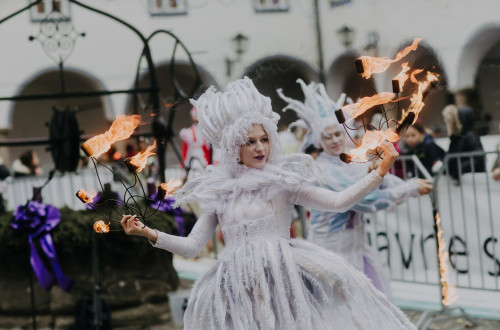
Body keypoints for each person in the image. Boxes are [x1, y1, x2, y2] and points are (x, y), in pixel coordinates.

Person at [121, 77, 416, 329]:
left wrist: (380, 171)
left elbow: (338, 202)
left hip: (283, 281)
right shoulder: (220, 191)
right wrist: (147, 233)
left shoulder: (283, 182)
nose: (260, 147)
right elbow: (192, 245)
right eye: (250, 142)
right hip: (238, 287)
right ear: (234, 147)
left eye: (263, 139)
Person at [279, 79, 432, 298]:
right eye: (327, 136)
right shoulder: (322, 169)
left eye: (338, 134)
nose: (334, 140)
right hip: (331, 251)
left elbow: (377, 185)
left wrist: (388, 177)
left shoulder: (352, 162)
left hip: (356, 249)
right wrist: (409, 188)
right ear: (319, 141)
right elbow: (365, 202)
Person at [442, 104, 485, 182]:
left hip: (474, 182)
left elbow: (478, 159)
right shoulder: (455, 139)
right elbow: (451, 158)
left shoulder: (470, 137)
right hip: (463, 184)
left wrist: (458, 169)